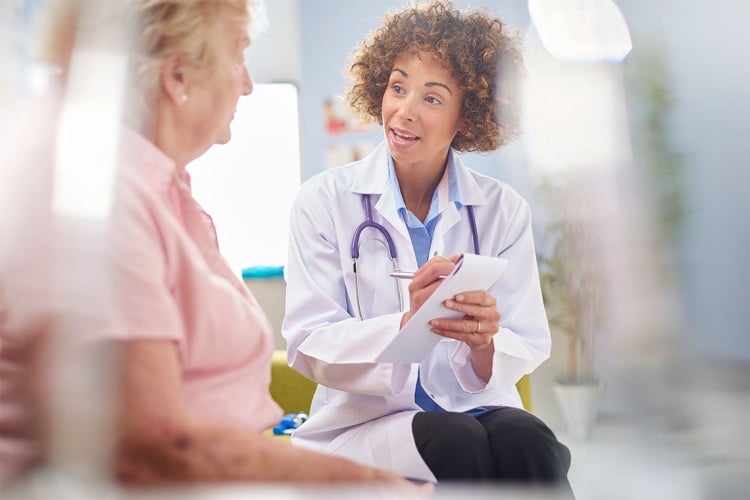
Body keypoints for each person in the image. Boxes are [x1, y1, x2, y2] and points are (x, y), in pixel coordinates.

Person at [0, 0, 423, 489]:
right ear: (178, 77)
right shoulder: (94, 191)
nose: (246, 83)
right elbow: (155, 450)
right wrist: (372, 485)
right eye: (239, 54)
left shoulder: (157, 187)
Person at [282, 0, 571, 490]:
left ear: (472, 114)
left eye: (432, 99)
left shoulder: (502, 209)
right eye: (397, 87)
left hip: (474, 402)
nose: (404, 111)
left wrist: (484, 342)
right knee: (456, 439)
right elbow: (309, 343)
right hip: (365, 421)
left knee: (531, 440)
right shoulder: (323, 201)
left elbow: (525, 339)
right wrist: (403, 324)